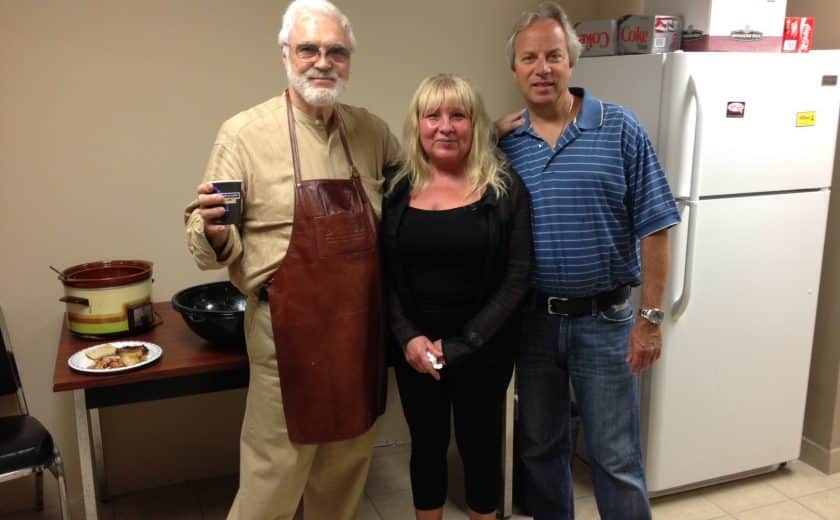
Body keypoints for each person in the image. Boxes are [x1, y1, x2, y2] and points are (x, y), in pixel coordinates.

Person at [183, 1, 402, 518]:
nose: (322, 62)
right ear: (286, 55)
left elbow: (418, 189)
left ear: (349, 61)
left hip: (359, 334)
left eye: (336, 52)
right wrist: (213, 229)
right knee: (271, 482)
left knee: (346, 474)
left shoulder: (372, 133)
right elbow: (204, 242)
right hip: (284, 332)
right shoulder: (243, 134)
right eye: (309, 49)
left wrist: (487, 140)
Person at [497, 3, 681, 519]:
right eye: (529, 58)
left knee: (616, 457)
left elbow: (657, 226)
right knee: (540, 451)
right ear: (514, 69)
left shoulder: (619, 127)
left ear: (572, 63)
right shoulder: (506, 145)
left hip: (607, 321)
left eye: (553, 56)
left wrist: (649, 320)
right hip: (532, 323)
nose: (542, 68)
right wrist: (488, 133)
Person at [382, 73, 532, 520]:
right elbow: (384, 273)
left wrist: (463, 344)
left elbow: (519, 274)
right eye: (433, 115)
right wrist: (408, 337)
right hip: (415, 353)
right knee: (426, 447)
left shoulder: (504, 186)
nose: (445, 126)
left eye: (458, 115)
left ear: (475, 124)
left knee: (480, 450)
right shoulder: (395, 186)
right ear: (417, 124)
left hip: (484, 350)